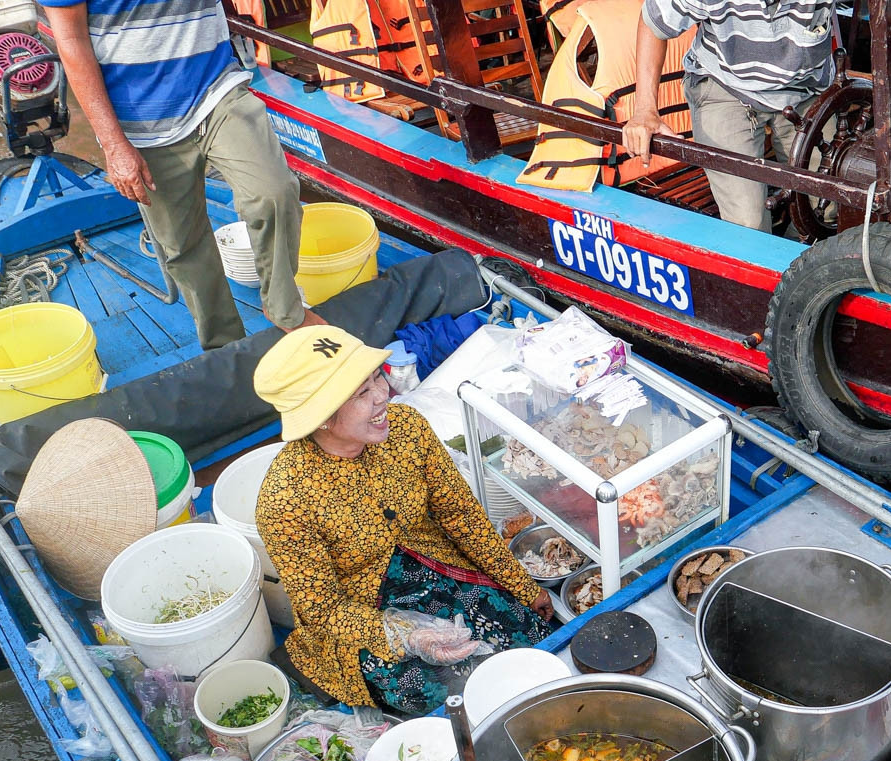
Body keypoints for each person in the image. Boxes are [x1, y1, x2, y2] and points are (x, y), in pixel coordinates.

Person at [253, 326, 553, 713]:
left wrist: (524, 586)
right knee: (442, 689)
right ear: (321, 418)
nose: (383, 395)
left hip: (434, 562)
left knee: (523, 638)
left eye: (377, 376)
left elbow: (462, 516)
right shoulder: (285, 500)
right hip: (362, 610)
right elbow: (323, 609)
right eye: (361, 393)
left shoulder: (407, 428)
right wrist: (404, 635)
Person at [41, 0, 326, 350]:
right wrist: (114, 145)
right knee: (181, 243)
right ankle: (224, 344)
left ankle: (284, 310)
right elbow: (71, 43)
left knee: (274, 192)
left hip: (216, 90)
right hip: (140, 122)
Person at [623, 0, 891, 231]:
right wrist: (645, 110)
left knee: (833, 209)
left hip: (805, 88)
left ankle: (801, 272)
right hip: (724, 85)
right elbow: (653, 24)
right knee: (747, 225)